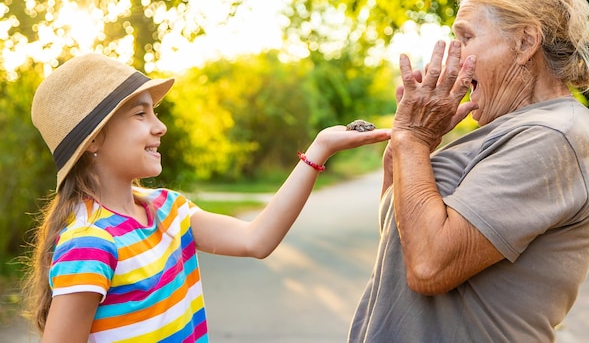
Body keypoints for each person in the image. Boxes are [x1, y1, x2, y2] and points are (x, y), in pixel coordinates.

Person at [24, 52, 390, 342]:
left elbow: (256, 240)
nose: (160, 126)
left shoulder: (168, 210)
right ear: (92, 140)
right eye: (140, 114)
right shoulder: (89, 242)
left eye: (155, 111)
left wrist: (320, 149)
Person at [349, 0, 589, 342]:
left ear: (525, 42)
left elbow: (428, 266)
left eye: (466, 38)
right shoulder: (511, 128)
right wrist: (404, 152)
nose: (456, 59)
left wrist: (413, 139)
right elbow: (398, 240)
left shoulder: (555, 137)